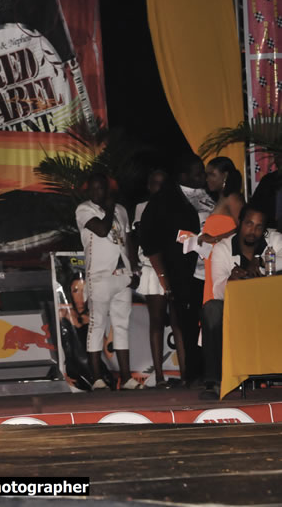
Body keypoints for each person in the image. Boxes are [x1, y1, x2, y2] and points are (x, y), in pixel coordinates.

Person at [140, 152, 210, 386]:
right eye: (198, 173)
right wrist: (164, 277)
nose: (203, 177)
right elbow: (149, 240)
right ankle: (194, 375)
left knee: (212, 322)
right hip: (185, 274)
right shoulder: (165, 200)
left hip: (214, 270)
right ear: (183, 175)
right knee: (188, 324)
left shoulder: (211, 194)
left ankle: (214, 371)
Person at [200, 203, 282, 399]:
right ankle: (214, 382)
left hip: (271, 309)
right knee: (212, 309)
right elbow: (217, 291)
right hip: (238, 312)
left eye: (259, 226)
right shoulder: (223, 248)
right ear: (240, 223)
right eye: (249, 224)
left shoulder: (274, 240)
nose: (253, 231)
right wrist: (230, 280)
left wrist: (263, 261)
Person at [75, 172, 141, 390]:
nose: (97, 192)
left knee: (121, 325)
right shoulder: (84, 209)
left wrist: (134, 270)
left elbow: (128, 239)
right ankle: (97, 379)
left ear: (107, 190)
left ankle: (126, 378)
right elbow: (102, 230)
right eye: (93, 189)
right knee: (97, 326)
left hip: (122, 275)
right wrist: (110, 208)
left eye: (100, 188)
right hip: (100, 276)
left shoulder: (120, 210)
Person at [133, 169, 183, 388]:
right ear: (148, 185)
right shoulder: (142, 207)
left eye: (162, 184)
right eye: (155, 183)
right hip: (152, 267)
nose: (158, 188)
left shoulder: (178, 207)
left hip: (175, 268)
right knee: (157, 322)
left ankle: (186, 374)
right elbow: (141, 238)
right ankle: (160, 376)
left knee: (179, 322)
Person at [199, 157, 244, 304]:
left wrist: (214, 238)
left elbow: (244, 228)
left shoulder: (233, 198)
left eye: (212, 174)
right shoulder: (221, 198)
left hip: (225, 259)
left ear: (225, 175)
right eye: (207, 175)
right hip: (213, 259)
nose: (207, 179)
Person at [251, 153, 282, 232]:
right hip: (270, 230)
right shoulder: (268, 180)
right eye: (277, 155)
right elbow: (254, 207)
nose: (279, 159)